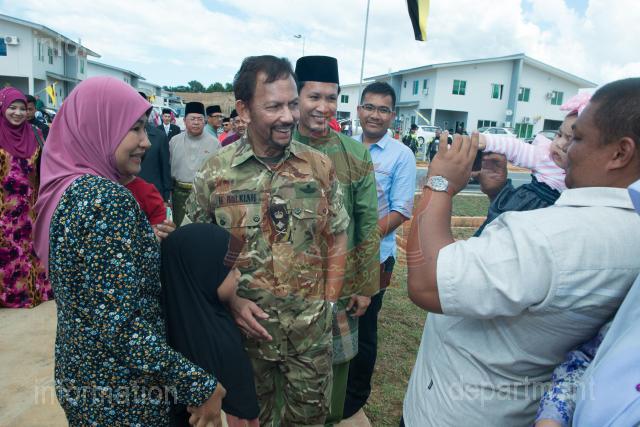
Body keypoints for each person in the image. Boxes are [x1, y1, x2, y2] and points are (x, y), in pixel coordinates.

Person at [403, 77, 640, 426]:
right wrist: (498, 196)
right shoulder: (626, 226)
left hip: (457, 409)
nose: (566, 150)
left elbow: (427, 282)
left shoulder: (552, 236)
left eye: (578, 138)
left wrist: (440, 184)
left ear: (620, 153)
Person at [32, 76, 225, 426]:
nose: (145, 142)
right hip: (123, 392)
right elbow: (122, 327)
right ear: (98, 127)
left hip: (82, 375)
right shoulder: (106, 200)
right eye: (134, 129)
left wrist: (142, 242)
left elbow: (94, 289)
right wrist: (198, 386)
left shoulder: (67, 190)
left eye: (145, 128)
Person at [185, 55, 350, 426]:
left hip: (309, 339)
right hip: (245, 342)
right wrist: (230, 302)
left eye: (292, 104)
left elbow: (338, 235)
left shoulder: (318, 167)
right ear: (244, 110)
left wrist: (328, 300)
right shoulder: (215, 173)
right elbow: (193, 259)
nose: (288, 117)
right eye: (274, 106)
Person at [293, 55, 380, 425]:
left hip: (338, 286)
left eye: (331, 98)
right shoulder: (277, 146)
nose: (323, 107)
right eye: (314, 97)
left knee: (334, 374)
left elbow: (368, 221)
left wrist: (365, 285)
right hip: (283, 287)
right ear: (296, 97)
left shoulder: (354, 153)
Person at [344, 82, 417, 420]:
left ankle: (354, 397)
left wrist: (362, 237)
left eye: (383, 109)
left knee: (364, 326)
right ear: (359, 110)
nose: (375, 115)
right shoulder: (342, 147)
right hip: (336, 253)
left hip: (376, 257)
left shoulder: (401, 156)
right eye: (369, 107)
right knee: (335, 319)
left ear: (392, 116)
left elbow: (401, 210)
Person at [161, 223, 260, 427]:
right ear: (205, 272)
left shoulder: (170, 332)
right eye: (231, 269)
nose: (238, 275)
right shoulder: (217, 342)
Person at [474, 93, 591, 235]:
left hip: (550, 227)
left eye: (571, 139)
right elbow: (517, 148)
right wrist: (488, 141)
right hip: (522, 208)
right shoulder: (546, 157)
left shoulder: (590, 178)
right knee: (491, 236)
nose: (559, 144)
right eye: (559, 135)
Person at [0, 87, 52, 308]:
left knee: (29, 251)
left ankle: (30, 294)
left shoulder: (36, 133)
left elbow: (46, 166)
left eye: (22, 108)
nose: (18, 113)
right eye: (12, 108)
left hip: (31, 208)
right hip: (3, 210)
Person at [169, 101, 220, 226]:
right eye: (192, 119)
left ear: (205, 121)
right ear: (184, 121)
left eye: (200, 119)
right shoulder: (174, 141)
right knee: (180, 228)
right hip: (178, 194)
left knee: (201, 229)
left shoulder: (214, 143)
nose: (196, 122)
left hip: (203, 194)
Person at [137, 93, 173, 203]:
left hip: (153, 195)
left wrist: (166, 197)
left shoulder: (159, 136)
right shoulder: (118, 135)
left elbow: (165, 167)